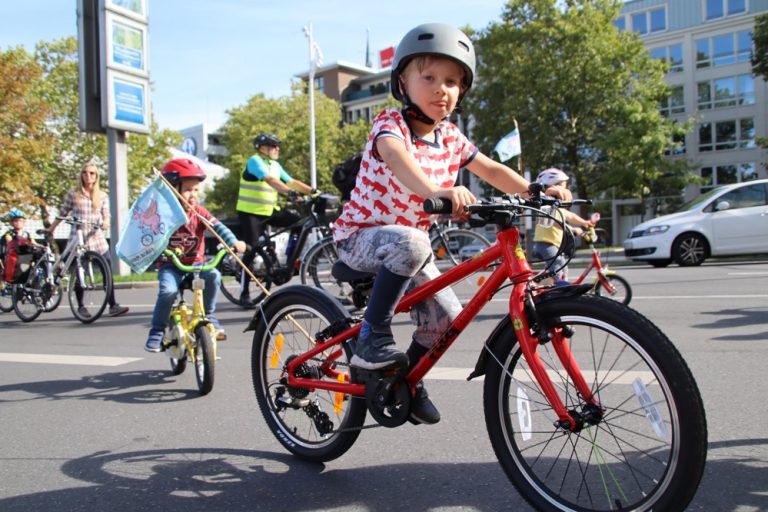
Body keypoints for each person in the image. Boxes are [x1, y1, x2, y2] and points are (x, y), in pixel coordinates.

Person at [332, 23, 570, 425]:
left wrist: (534, 191)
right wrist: (437, 190)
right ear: (402, 81)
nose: (442, 88)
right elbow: (396, 159)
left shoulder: (452, 137)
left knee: (447, 319)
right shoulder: (389, 125)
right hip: (360, 238)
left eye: (453, 82)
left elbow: (491, 169)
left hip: (410, 247)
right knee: (412, 242)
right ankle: (372, 336)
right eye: (429, 78)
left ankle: (404, 382)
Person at [144, 158, 246, 353]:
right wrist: (154, 248)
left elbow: (218, 227)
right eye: (188, 190)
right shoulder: (162, 214)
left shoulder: (199, 212)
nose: (193, 195)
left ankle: (209, 315)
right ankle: (157, 330)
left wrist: (233, 242)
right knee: (167, 292)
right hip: (171, 266)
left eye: (196, 190)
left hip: (196, 266)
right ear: (173, 190)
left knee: (214, 276)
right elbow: (149, 235)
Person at [235, 133, 315, 306]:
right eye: (273, 146)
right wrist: (289, 192)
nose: (277, 149)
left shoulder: (275, 165)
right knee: (251, 249)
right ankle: (244, 292)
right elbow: (270, 180)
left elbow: (291, 181)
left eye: (277, 146)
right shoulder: (255, 161)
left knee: (299, 223)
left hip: (269, 211)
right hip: (250, 213)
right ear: (262, 148)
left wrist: (312, 191)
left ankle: (289, 261)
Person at [45, 163, 129, 318]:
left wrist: (106, 222)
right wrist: (51, 229)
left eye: (91, 173)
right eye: (85, 173)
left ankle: (113, 305)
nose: (88, 176)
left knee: (107, 271)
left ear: (96, 176)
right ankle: (81, 306)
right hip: (79, 239)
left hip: (97, 238)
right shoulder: (74, 194)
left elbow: (106, 214)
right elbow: (63, 212)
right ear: (81, 175)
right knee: (79, 272)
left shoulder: (102, 195)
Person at [531, 168, 594, 283]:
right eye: (564, 186)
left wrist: (585, 223)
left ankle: (553, 289)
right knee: (556, 271)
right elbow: (556, 222)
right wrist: (573, 229)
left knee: (563, 267)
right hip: (545, 244)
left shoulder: (557, 207)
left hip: (552, 244)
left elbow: (570, 216)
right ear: (553, 187)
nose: (566, 190)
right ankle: (541, 293)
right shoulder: (547, 207)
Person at [2, 208, 41, 283]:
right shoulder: (9, 233)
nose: (18, 223)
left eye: (20, 221)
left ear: (24, 222)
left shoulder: (27, 234)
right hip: (14, 255)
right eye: (15, 221)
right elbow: (9, 241)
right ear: (11, 222)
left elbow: (34, 242)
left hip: (26, 256)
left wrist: (43, 247)